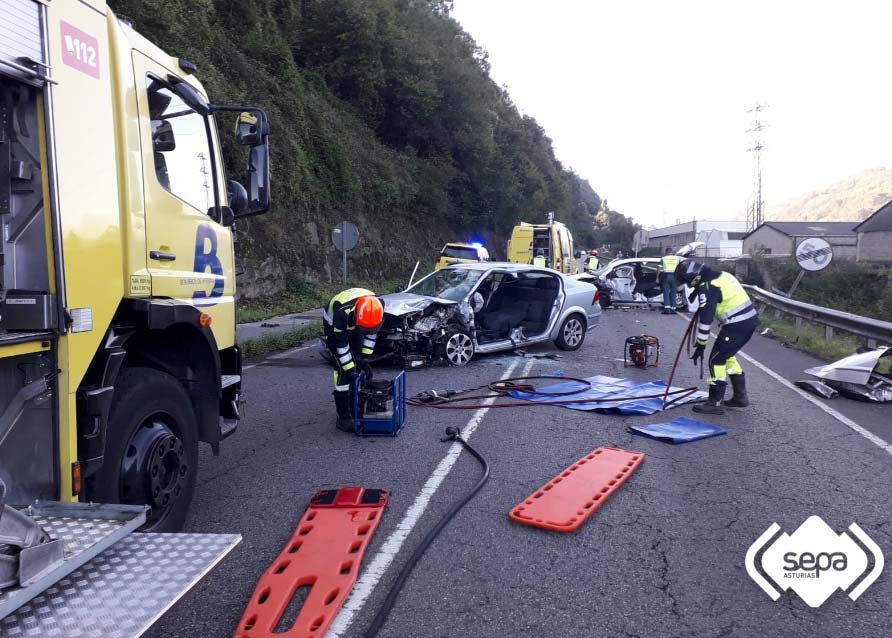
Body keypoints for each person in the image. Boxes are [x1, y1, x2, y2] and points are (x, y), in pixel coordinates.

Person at [675, 260, 760, 415]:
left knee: (716, 360)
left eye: (687, 281)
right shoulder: (721, 275)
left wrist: (701, 345)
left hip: (737, 326)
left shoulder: (707, 287)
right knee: (727, 357)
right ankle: (740, 397)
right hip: (748, 322)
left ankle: (715, 403)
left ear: (694, 277)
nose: (687, 285)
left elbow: (706, 321)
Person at [323, 288, 384, 431]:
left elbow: (371, 334)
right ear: (357, 315)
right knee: (342, 369)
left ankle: (354, 402)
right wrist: (350, 369)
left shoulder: (378, 307)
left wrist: (364, 358)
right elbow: (341, 346)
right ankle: (343, 416)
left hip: (356, 323)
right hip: (334, 327)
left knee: (356, 359)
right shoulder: (340, 312)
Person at [656, 247, 680, 314]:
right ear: (672, 252)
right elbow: (680, 268)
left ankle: (667, 309)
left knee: (666, 292)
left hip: (666, 276)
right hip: (675, 277)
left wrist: (657, 278)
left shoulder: (664, 259)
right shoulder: (677, 259)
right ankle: (673, 309)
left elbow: (659, 269)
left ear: (666, 252)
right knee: (673, 293)